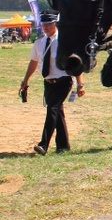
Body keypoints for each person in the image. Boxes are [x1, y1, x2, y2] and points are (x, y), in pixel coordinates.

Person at [19, 10, 85, 155]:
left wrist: (80, 84)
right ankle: (63, 146)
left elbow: (76, 64)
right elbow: (33, 62)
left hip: (64, 80)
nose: (46, 26)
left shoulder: (64, 42)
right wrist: (25, 80)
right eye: (43, 23)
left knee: (52, 109)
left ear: (55, 23)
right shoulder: (40, 42)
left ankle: (43, 144)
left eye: (49, 23)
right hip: (48, 82)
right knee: (57, 112)